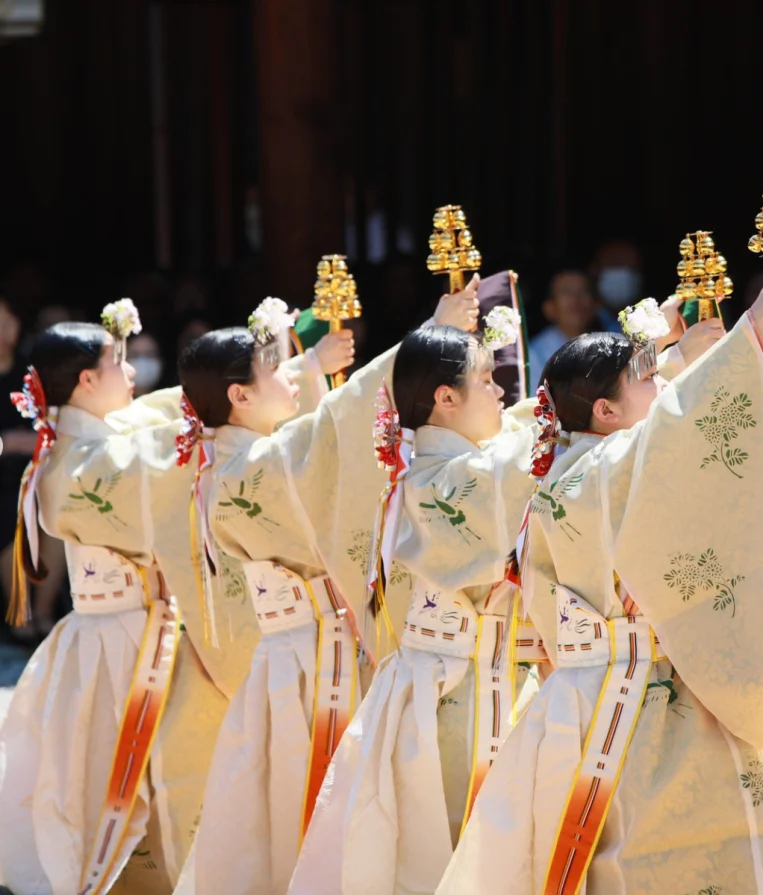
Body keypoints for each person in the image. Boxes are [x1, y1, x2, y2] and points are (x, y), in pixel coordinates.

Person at [435, 268, 763, 894]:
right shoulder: (597, 474)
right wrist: (756, 325)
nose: (662, 383)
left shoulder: (582, 463)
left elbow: (678, 423)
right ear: (606, 410)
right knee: (644, 854)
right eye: (647, 380)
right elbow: (681, 426)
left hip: (639, 685)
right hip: (630, 701)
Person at [290, 299, 722, 895]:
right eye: (486, 380)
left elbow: (555, 425)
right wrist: (666, 370)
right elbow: (566, 439)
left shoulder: (458, 466)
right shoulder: (436, 483)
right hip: (452, 692)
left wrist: (649, 355)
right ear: (445, 399)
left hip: (484, 679)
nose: (502, 393)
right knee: (443, 854)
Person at [172, 289, 476, 895]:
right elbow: (334, 428)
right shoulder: (246, 470)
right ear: (239, 396)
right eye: (278, 370)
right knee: (309, 803)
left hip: (308, 652)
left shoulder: (230, 461)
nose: (293, 376)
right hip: (311, 663)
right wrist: (428, 338)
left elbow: (318, 431)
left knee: (298, 802)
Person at [0, 303, 229, 895]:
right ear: (86, 381)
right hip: (119, 641)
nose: (133, 374)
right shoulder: (80, 465)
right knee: (113, 779)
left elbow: (153, 417)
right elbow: (156, 455)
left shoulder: (89, 444)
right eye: (120, 363)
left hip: (142, 631)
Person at [0, 296, 65, 643]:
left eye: (6, 321)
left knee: (54, 519)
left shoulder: (29, 374)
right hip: (3, 480)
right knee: (13, 519)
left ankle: (43, 612)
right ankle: (18, 614)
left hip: (37, 472)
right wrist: (6, 443)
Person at [528, 270, 621, 393]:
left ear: (595, 304)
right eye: (567, 292)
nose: (575, 300)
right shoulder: (534, 353)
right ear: (549, 307)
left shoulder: (612, 346)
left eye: (583, 292)